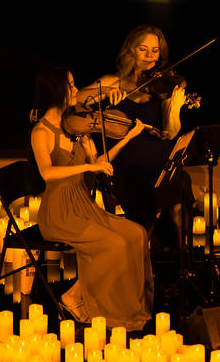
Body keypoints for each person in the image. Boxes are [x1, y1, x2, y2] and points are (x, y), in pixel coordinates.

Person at [30, 65, 154, 329]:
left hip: (82, 204)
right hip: (59, 212)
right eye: (71, 85)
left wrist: (127, 138)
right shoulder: (41, 132)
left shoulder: (75, 124)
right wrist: (87, 166)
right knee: (114, 244)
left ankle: (78, 296)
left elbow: (98, 163)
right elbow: (46, 173)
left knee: (136, 234)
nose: (77, 90)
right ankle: (95, 306)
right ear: (56, 91)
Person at [78, 25, 191, 238]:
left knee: (179, 183)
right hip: (126, 162)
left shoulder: (162, 84)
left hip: (159, 158)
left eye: (155, 51)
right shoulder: (113, 81)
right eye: (143, 49)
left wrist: (175, 109)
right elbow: (76, 99)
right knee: (147, 190)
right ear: (131, 50)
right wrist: (107, 91)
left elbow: (170, 132)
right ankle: (141, 248)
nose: (150, 56)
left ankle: (183, 252)